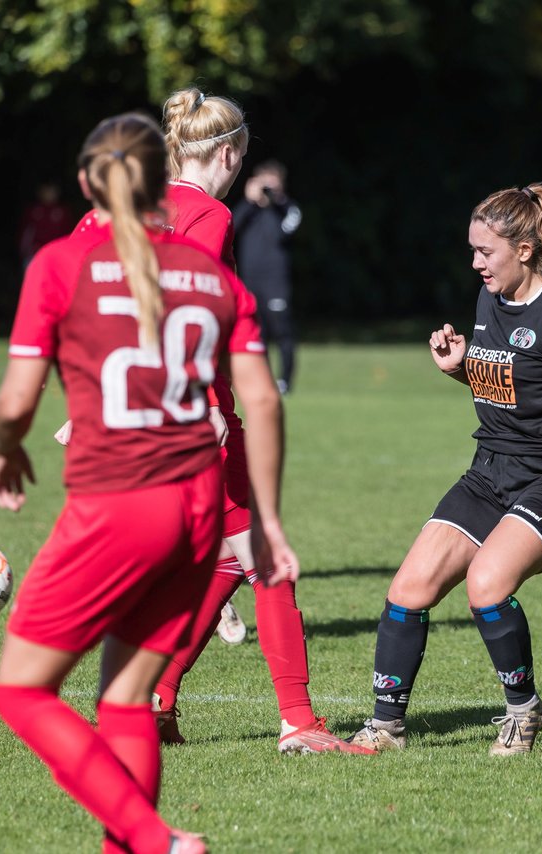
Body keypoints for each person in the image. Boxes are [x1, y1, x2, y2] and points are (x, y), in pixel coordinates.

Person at [0, 111, 297, 854]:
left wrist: (7, 446)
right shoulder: (213, 275)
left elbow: (16, 402)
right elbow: (259, 398)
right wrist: (270, 520)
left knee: (21, 690)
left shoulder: (60, 264)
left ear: (89, 183)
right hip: (196, 507)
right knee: (127, 699)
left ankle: (152, 839)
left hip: (117, 501)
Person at [347, 183, 542, 756]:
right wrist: (460, 368)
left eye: (487, 251)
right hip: (489, 471)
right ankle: (385, 727)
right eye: (473, 250)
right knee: (407, 589)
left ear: (527, 249)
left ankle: (523, 710)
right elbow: (509, 385)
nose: (476, 263)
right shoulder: (490, 299)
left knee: (486, 585)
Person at [154, 86, 372, 755]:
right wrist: (213, 405)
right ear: (230, 152)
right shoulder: (210, 217)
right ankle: (299, 722)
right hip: (199, 417)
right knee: (268, 561)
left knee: (233, 555)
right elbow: (193, 317)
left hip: (133, 415)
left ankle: (155, 700)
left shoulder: (122, 209)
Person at [232, 160, 301, 394]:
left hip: (276, 281)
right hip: (250, 280)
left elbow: (280, 235)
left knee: (282, 332)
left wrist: (271, 204)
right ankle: (260, 379)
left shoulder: (289, 209)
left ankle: (285, 382)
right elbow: (232, 227)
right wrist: (251, 201)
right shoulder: (250, 209)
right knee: (253, 333)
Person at [18, 181, 73, 268]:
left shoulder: (62, 212)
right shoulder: (33, 211)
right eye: (46, 190)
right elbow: (26, 234)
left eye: (52, 190)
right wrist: (25, 252)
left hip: (56, 254)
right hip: (35, 253)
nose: (49, 193)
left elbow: (67, 234)